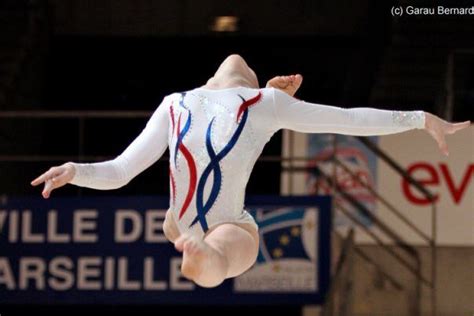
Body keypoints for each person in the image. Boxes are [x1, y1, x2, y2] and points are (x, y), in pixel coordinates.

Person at [31, 54, 470, 288]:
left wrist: (74, 170)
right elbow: (349, 120)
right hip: (219, 222)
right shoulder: (260, 103)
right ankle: (200, 253)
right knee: (222, 251)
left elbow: (120, 171)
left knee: (214, 247)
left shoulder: (184, 103)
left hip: (201, 221)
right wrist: (418, 117)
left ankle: (198, 252)